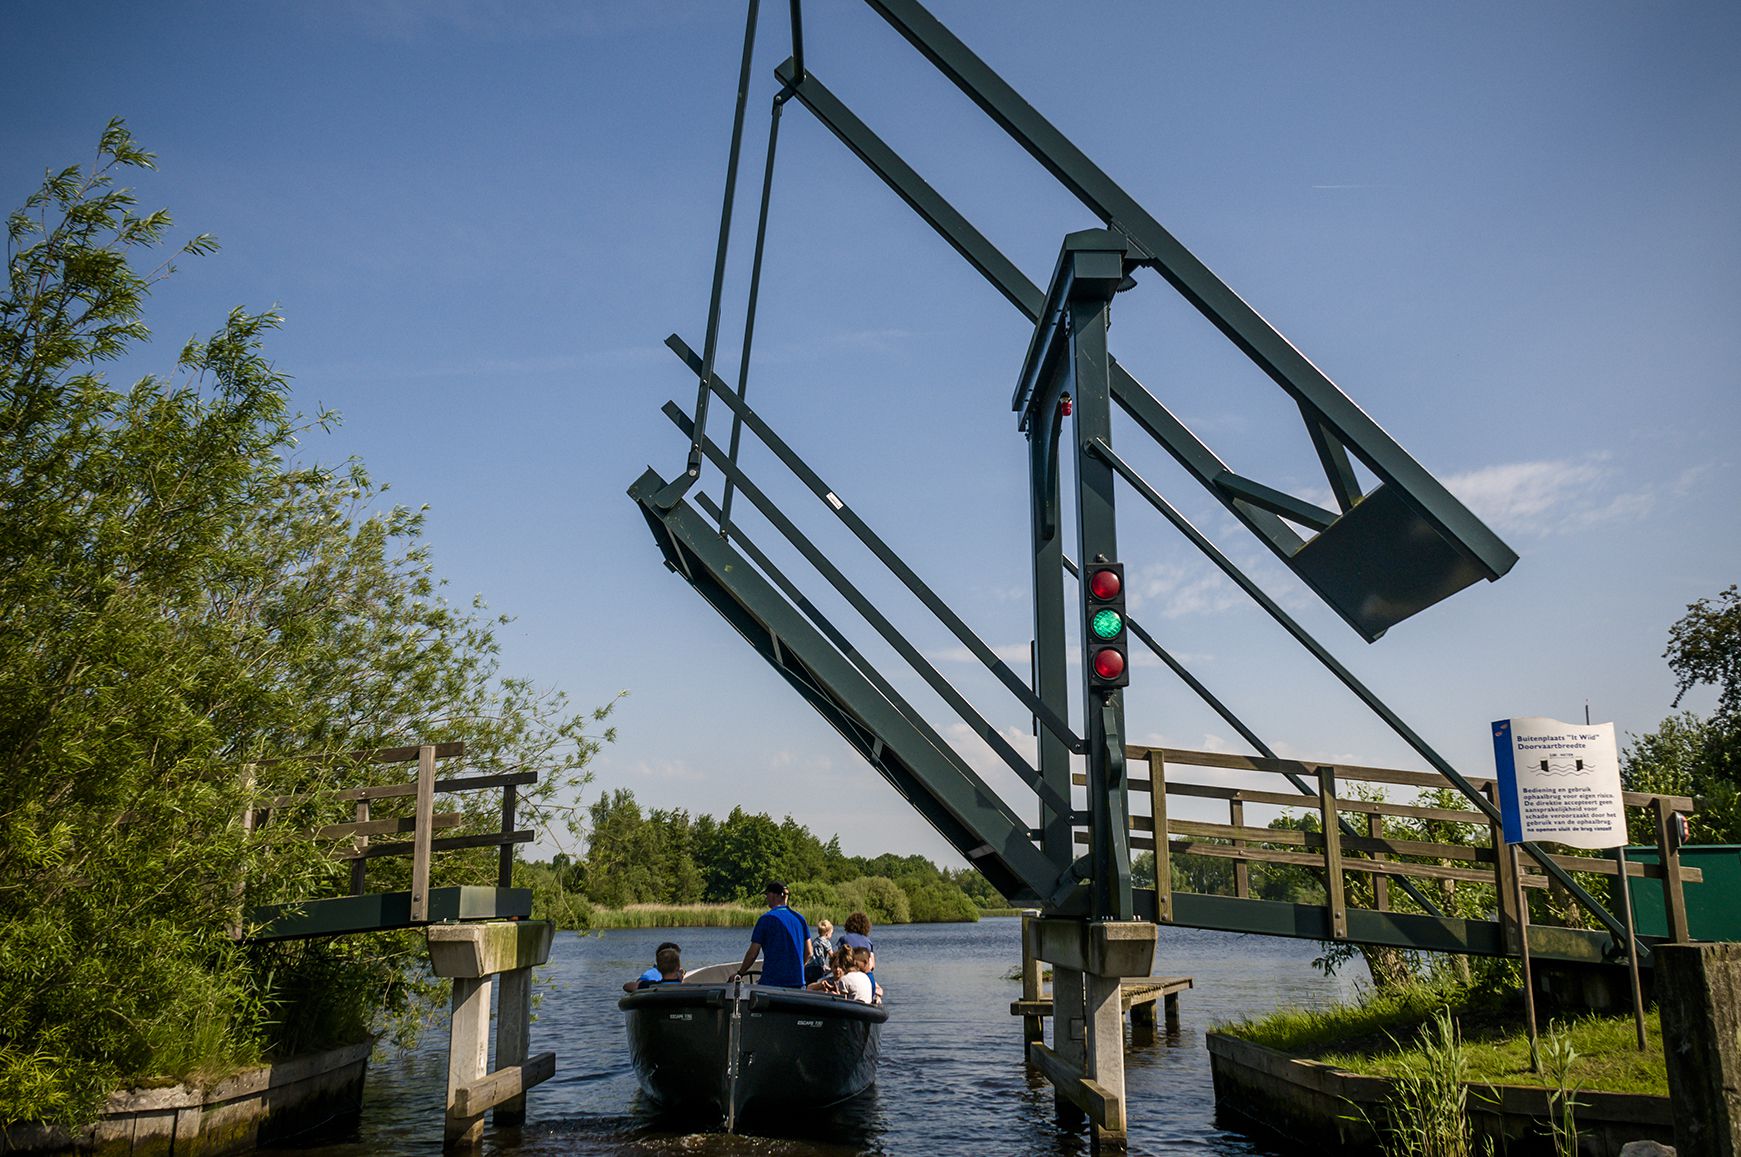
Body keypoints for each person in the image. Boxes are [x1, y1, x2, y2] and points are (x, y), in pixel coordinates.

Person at [733, 880, 811, 988]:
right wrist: (797, 969)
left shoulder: (766, 919)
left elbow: (753, 953)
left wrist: (740, 973)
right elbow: (809, 952)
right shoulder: (800, 919)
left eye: (767, 894)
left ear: (774, 895)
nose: (766, 898)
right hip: (798, 984)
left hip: (772, 984)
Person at [837, 911, 879, 1000]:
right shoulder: (868, 941)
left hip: (849, 973)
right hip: (866, 975)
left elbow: (838, 959)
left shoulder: (844, 939)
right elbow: (872, 965)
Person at [804, 918, 835, 985]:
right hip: (818, 969)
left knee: (809, 985)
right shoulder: (826, 942)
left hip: (809, 967)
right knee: (817, 984)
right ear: (827, 933)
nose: (831, 935)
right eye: (831, 933)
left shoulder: (815, 940)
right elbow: (832, 956)